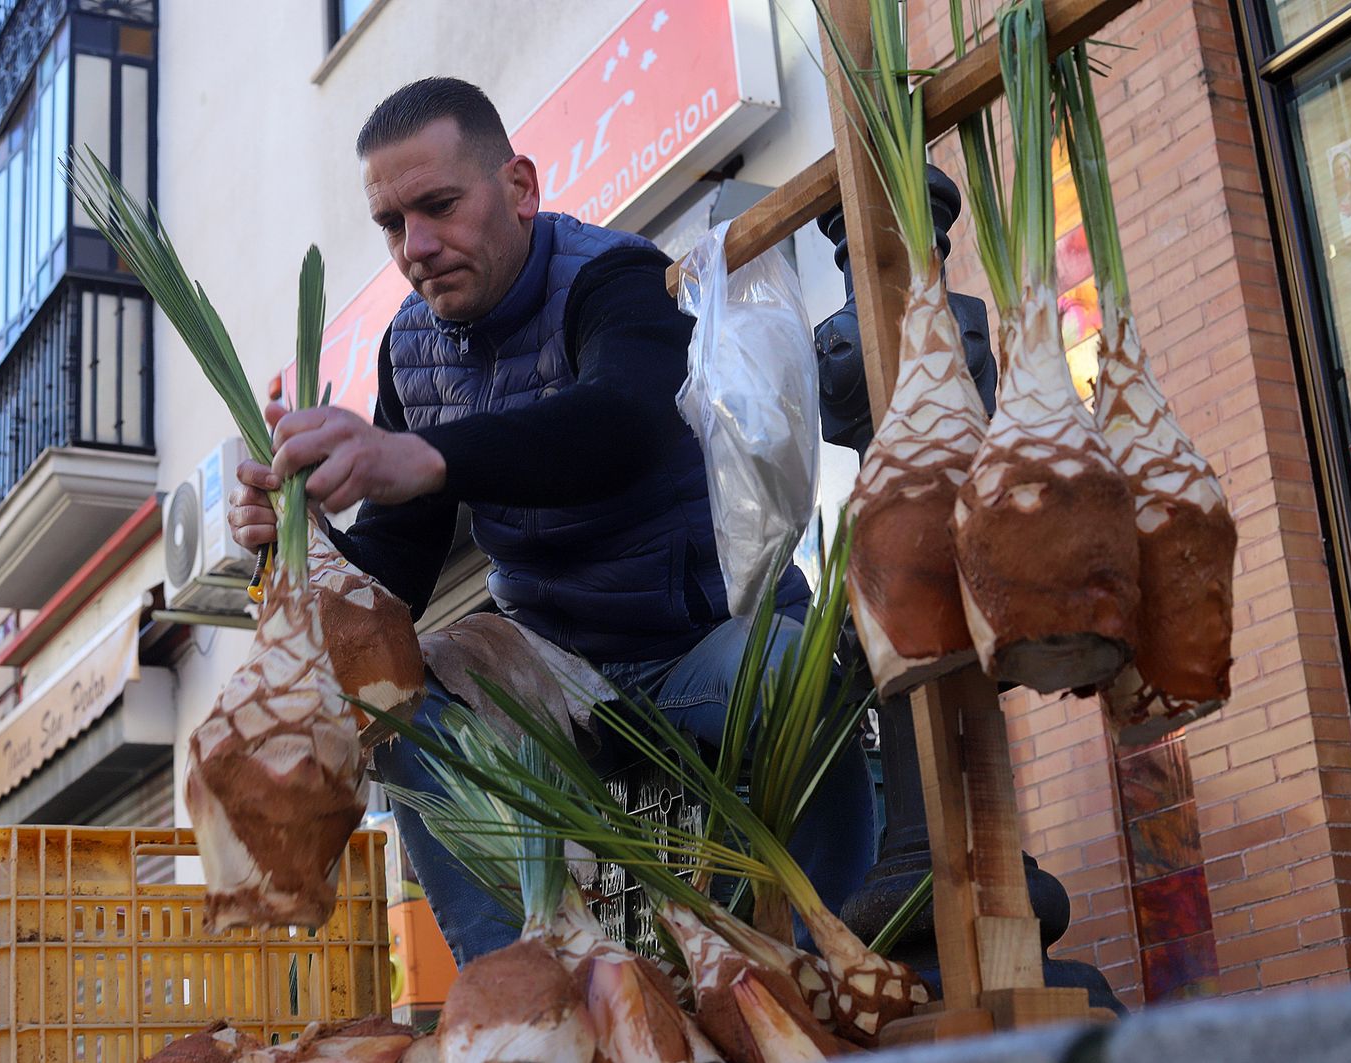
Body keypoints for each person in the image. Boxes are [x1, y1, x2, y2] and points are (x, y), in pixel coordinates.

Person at [228, 77, 875, 966]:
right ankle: (514, 987)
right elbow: (397, 573)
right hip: (560, 682)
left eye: (440, 206)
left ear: (521, 188)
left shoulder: (615, 279)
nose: (416, 247)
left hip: (694, 655)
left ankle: (835, 957)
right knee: (397, 697)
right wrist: (294, 544)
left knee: (789, 666)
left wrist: (423, 457)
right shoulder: (408, 347)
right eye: (391, 224)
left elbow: (622, 423)